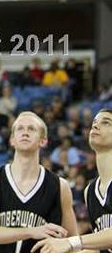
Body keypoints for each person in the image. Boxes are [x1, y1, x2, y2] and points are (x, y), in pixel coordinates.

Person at [0, 111, 78, 253]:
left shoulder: (60, 186)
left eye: (31, 129)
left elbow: (73, 241)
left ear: (43, 141)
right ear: (12, 140)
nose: (25, 132)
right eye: (20, 128)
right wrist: (32, 232)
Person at [32, 108, 112, 253]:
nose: (95, 126)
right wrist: (59, 247)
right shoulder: (91, 191)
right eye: (94, 122)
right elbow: (101, 247)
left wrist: (72, 242)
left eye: (106, 122)